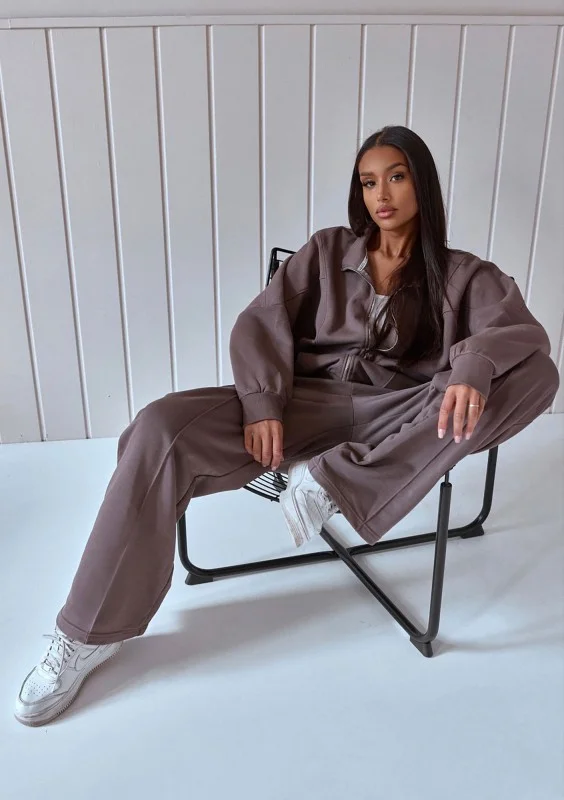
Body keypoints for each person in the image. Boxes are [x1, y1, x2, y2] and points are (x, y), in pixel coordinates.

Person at [14, 125, 559, 727]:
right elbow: (260, 322)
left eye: (396, 177)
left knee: (538, 373)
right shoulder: (327, 251)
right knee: (159, 427)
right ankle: (89, 632)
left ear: (422, 184)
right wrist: (263, 405)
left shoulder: (465, 276)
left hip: (402, 419)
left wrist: (474, 365)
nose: (381, 194)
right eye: (368, 182)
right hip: (303, 406)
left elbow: (524, 335)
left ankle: (337, 481)